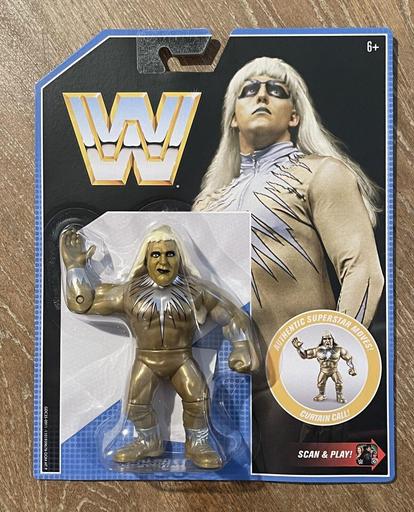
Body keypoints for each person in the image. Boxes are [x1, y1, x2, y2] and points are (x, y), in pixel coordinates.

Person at [193, 57, 384, 472]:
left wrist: (334, 366)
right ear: (233, 117)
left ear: (294, 115)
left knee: (298, 491)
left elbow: (364, 271)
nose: (262, 94)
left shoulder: (322, 174)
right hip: (222, 383)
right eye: (249, 90)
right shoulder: (208, 202)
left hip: (295, 379)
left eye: (276, 90)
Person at [60, 224, 259, 469]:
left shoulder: (196, 291)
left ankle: (197, 444)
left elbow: (231, 315)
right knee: (135, 404)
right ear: (146, 259)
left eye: (169, 254)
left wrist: (241, 346)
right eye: (156, 254)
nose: (163, 261)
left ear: (180, 258)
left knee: (198, 399)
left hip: (181, 359)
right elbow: (83, 303)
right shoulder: (128, 293)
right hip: (147, 360)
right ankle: (148, 441)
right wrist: (75, 268)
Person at [292, 331, 357, 403]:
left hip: (334, 370)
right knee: (320, 384)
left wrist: (352, 368)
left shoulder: (339, 350)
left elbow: (348, 358)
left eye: (329, 338)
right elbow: (305, 355)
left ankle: (339, 395)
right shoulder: (317, 350)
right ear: (322, 340)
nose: (327, 341)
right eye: (325, 339)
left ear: (333, 339)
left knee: (339, 383)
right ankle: (321, 395)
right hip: (323, 370)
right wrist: (299, 348)